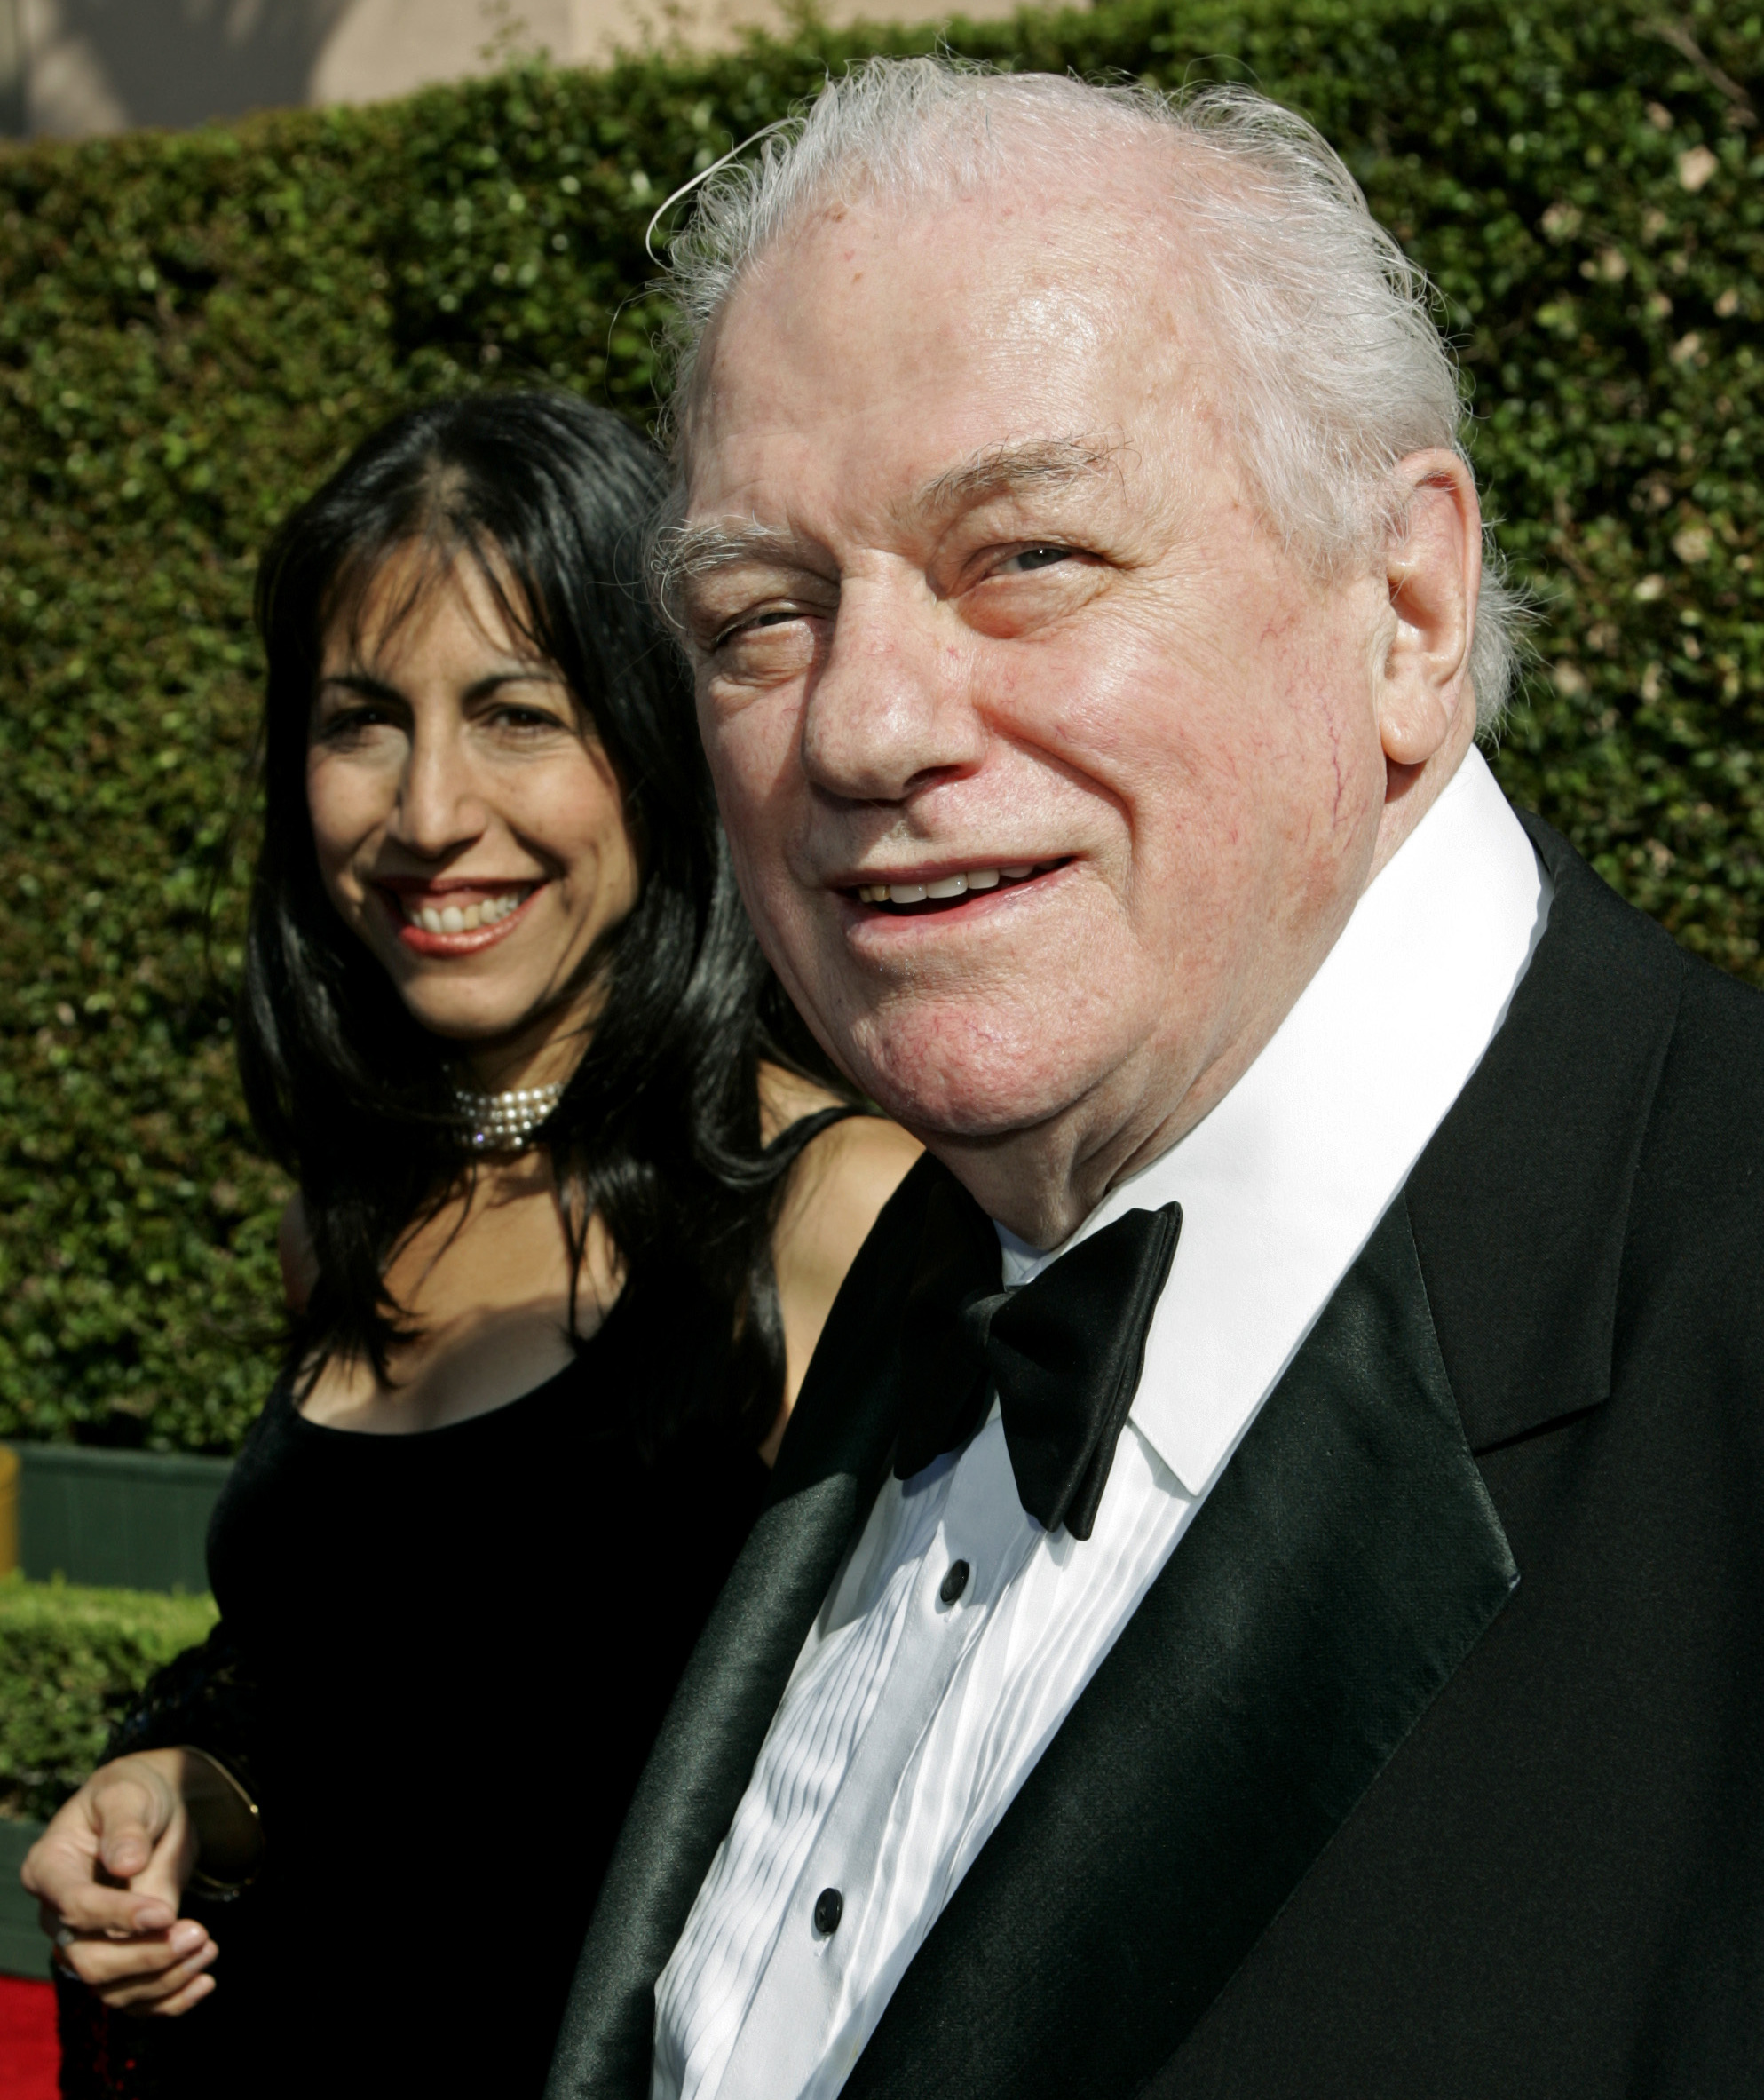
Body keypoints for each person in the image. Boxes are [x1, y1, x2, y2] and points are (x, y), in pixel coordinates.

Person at [542, 61, 1764, 2100]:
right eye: (761, 613)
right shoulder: (941, 1274)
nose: (860, 724)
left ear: (1406, 606)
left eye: (1022, 552)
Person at [22, 391, 918, 2099]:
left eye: (517, 715)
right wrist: (173, 1796)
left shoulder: (823, 1210)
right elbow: (332, 1700)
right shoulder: (343, 1219)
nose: (430, 813)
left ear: (657, 745)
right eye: (366, 720)